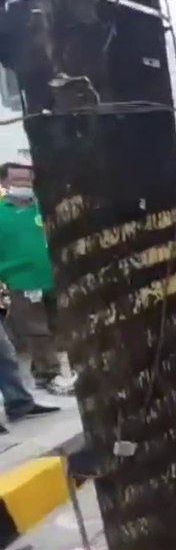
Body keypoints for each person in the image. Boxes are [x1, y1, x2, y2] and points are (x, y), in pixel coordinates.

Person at [0, 162, 72, 392]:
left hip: (52, 277)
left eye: (27, 180)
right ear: (4, 183)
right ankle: (48, 373)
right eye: (17, 181)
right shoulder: (2, 214)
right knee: (35, 329)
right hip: (22, 281)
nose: (24, 185)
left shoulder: (44, 209)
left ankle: (47, 369)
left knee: (58, 326)